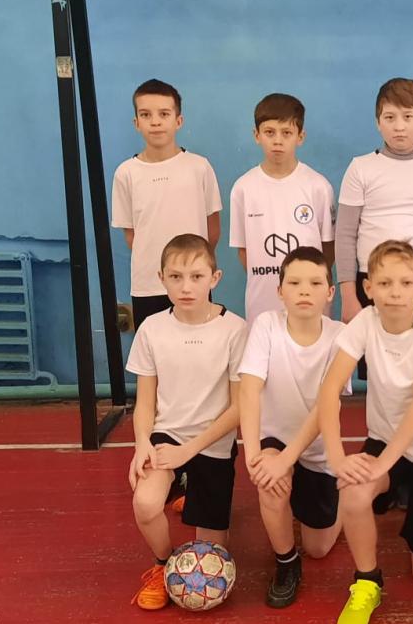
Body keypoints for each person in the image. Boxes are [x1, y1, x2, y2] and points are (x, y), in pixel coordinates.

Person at [318, 240, 413, 623]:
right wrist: (337, 459)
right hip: (384, 443)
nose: (395, 292)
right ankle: (367, 581)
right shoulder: (365, 322)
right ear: (368, 288)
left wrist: (382, 466)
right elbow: (329, 390)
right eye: (385, 283)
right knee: (352, 492)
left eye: (405, 283)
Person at [126, 234, 246, 610]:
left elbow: (240, 407)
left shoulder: (234, 330)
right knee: (145, 503)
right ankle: (162, 565)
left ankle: (187, 487)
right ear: (161, 278)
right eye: (176, 277)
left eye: (196, 276)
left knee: (211, 550)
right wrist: (141, 444)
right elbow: (145, 401)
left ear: (215, 278)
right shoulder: (151, 329)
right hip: (166, 435)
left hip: (212, 441)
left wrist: (189, 452)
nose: (186, 287)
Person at [238, 246, 346, 608]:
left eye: (315, 283)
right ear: (280, 291)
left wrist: (288, 459)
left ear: (330, 292)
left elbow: (325, 407)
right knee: (269, 484)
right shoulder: (266, 325)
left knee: (319, 548)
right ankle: (286, 562)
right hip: (274, 440)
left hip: (317, 447)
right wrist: (254, 455)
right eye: (295, 283)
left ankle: (346, 498)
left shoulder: (340, 336)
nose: (304, 291)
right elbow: (249, 390)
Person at [335, 77, 413, 336]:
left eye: (408, 117)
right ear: (378, 122)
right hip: (372, 278)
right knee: (373, 357)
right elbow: (345, 234)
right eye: (390, 118)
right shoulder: (360, 168)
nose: (399, 126)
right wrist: (348, 297)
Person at [111, 79, 222, 329]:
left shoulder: (199, 167)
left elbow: (212, 228)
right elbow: (131, 234)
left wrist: (193, 268)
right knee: (153, 349)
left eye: (164, 114)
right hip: (148, 285)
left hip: (194, 283)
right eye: (146, 114)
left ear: (178, 120)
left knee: (198, 347)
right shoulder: (126, 173)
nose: (155, 122)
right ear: (136, 123)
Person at [229, 93, 335, 327]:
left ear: (300, 137)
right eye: (269, 132)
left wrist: (305, 281)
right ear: (256, 135)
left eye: (286, 133)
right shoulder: (243, 188)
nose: (277, 141)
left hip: (310, 303)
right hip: (262, 303)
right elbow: (244, 250)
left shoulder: (318, 187)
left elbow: (328, 249)